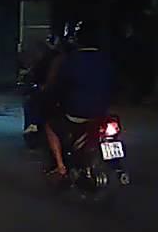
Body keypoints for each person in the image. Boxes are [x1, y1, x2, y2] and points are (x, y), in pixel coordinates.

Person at [43, 20, 116, 177]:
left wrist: (52, 96)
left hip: (77, 111)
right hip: (101, 110)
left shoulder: (71, 60)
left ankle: (60, 166)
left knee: (50, 126)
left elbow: (58, 85)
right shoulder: (106, 59)